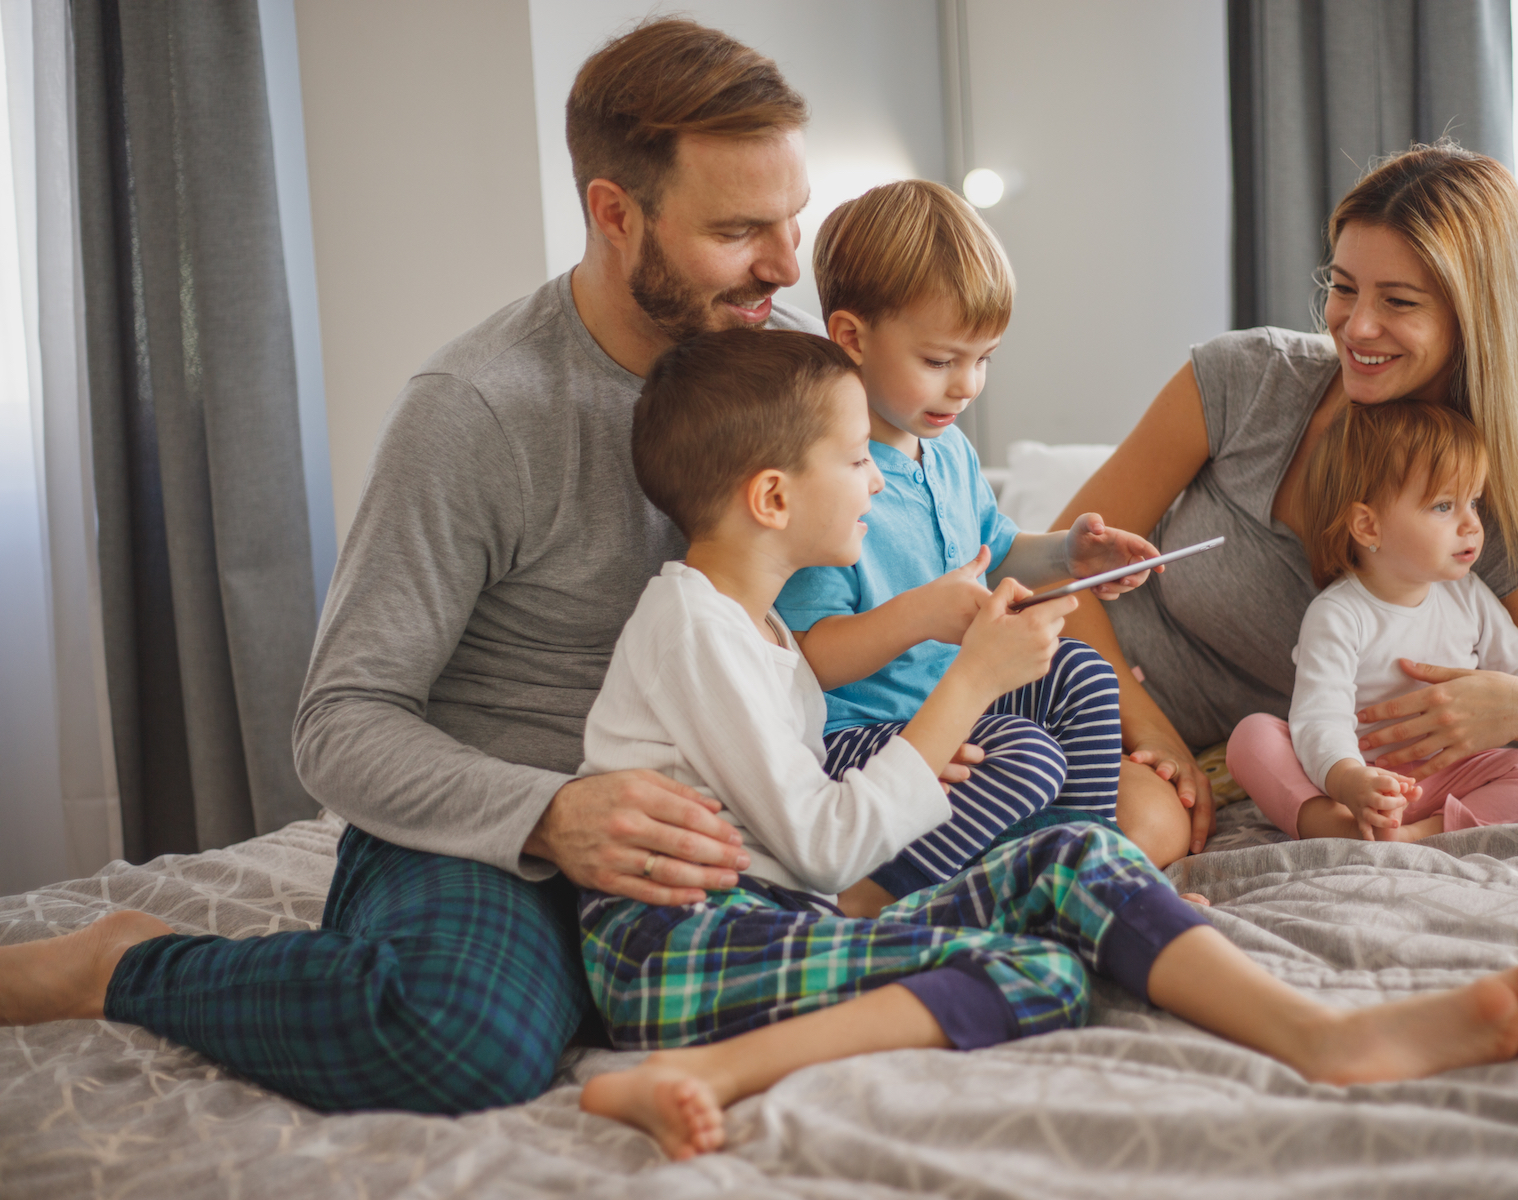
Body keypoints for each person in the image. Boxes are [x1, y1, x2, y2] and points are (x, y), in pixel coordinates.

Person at [0, 19, 890, 1113]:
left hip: (723, 809)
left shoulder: (793, 366)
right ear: (616, 213)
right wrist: (553, 813)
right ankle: (123, 964)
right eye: (740, 230)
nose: (786, 265)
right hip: (498, 829)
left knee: (1015, 811)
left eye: (794, 218)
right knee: (459, 1039)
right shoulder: (478, 411)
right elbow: (339, 722)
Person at [569, 326, 1518, 1162]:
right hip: (679, 953)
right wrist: (967, 686)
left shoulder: (750, 626)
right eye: (856, 457)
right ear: (774, 500)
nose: (876, 477)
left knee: (1072, 879)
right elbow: (826, 849)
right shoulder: (696, 632)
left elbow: (808, 826)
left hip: (774, 912)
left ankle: (1324, 1035)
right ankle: (708, 1069)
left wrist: (941, 639)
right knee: (1043, 965)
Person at [1054, 142, 1518, 861]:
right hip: (1087, 683)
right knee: (1137, 829)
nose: (1356, 326)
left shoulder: (1486, 508)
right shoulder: (1246, 381)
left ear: (1476, 317)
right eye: (1343, 287)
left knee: (1142, 837)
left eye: (1399, 301)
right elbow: (1060, 568)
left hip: (1204, 760)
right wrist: (1151, 732)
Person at [773, 181, 1167, 910]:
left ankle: (1083, 865)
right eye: (939, 360)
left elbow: (994, 551)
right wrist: (920, 615)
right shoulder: (827, 478)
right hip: (858, 734)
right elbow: (806, 661)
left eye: (984, 359)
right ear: (853, 337)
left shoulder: (948, 450)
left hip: (953, 697)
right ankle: (867, 902)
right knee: (1026, 756)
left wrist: (1070, 557)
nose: (967, 386)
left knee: (1083, 674)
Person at [1227, 401, 1518, 842]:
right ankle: (1337, 826)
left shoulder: (1467, 595)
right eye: (1443, 506)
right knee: (1252, 737)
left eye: (1473, 501)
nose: (1471, 523)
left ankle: (1420, 836)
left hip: (1452, 777)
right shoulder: (1338, 615)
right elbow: (1319, 718)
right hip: (1358, 784)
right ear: (1368, 527)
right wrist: (1351, 781)